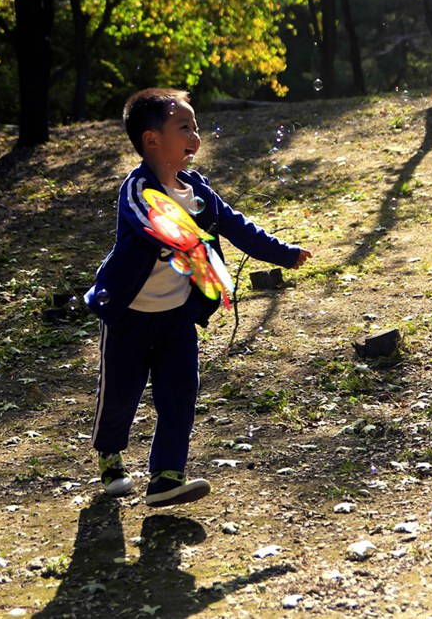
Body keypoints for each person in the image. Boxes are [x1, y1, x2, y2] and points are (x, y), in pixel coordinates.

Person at [84, 87, 312, 508]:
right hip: (128, 315)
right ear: (152, 139)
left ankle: (166, 476)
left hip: (175, 316)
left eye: (198, 127)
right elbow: (152, 224)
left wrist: (283, 254)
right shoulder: (137, 189)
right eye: (184, 127)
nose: (196, 135)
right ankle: (111, 457)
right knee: (120, 392)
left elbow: (238, 226)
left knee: (181, 391)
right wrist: (191, 241)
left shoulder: (198, 190)